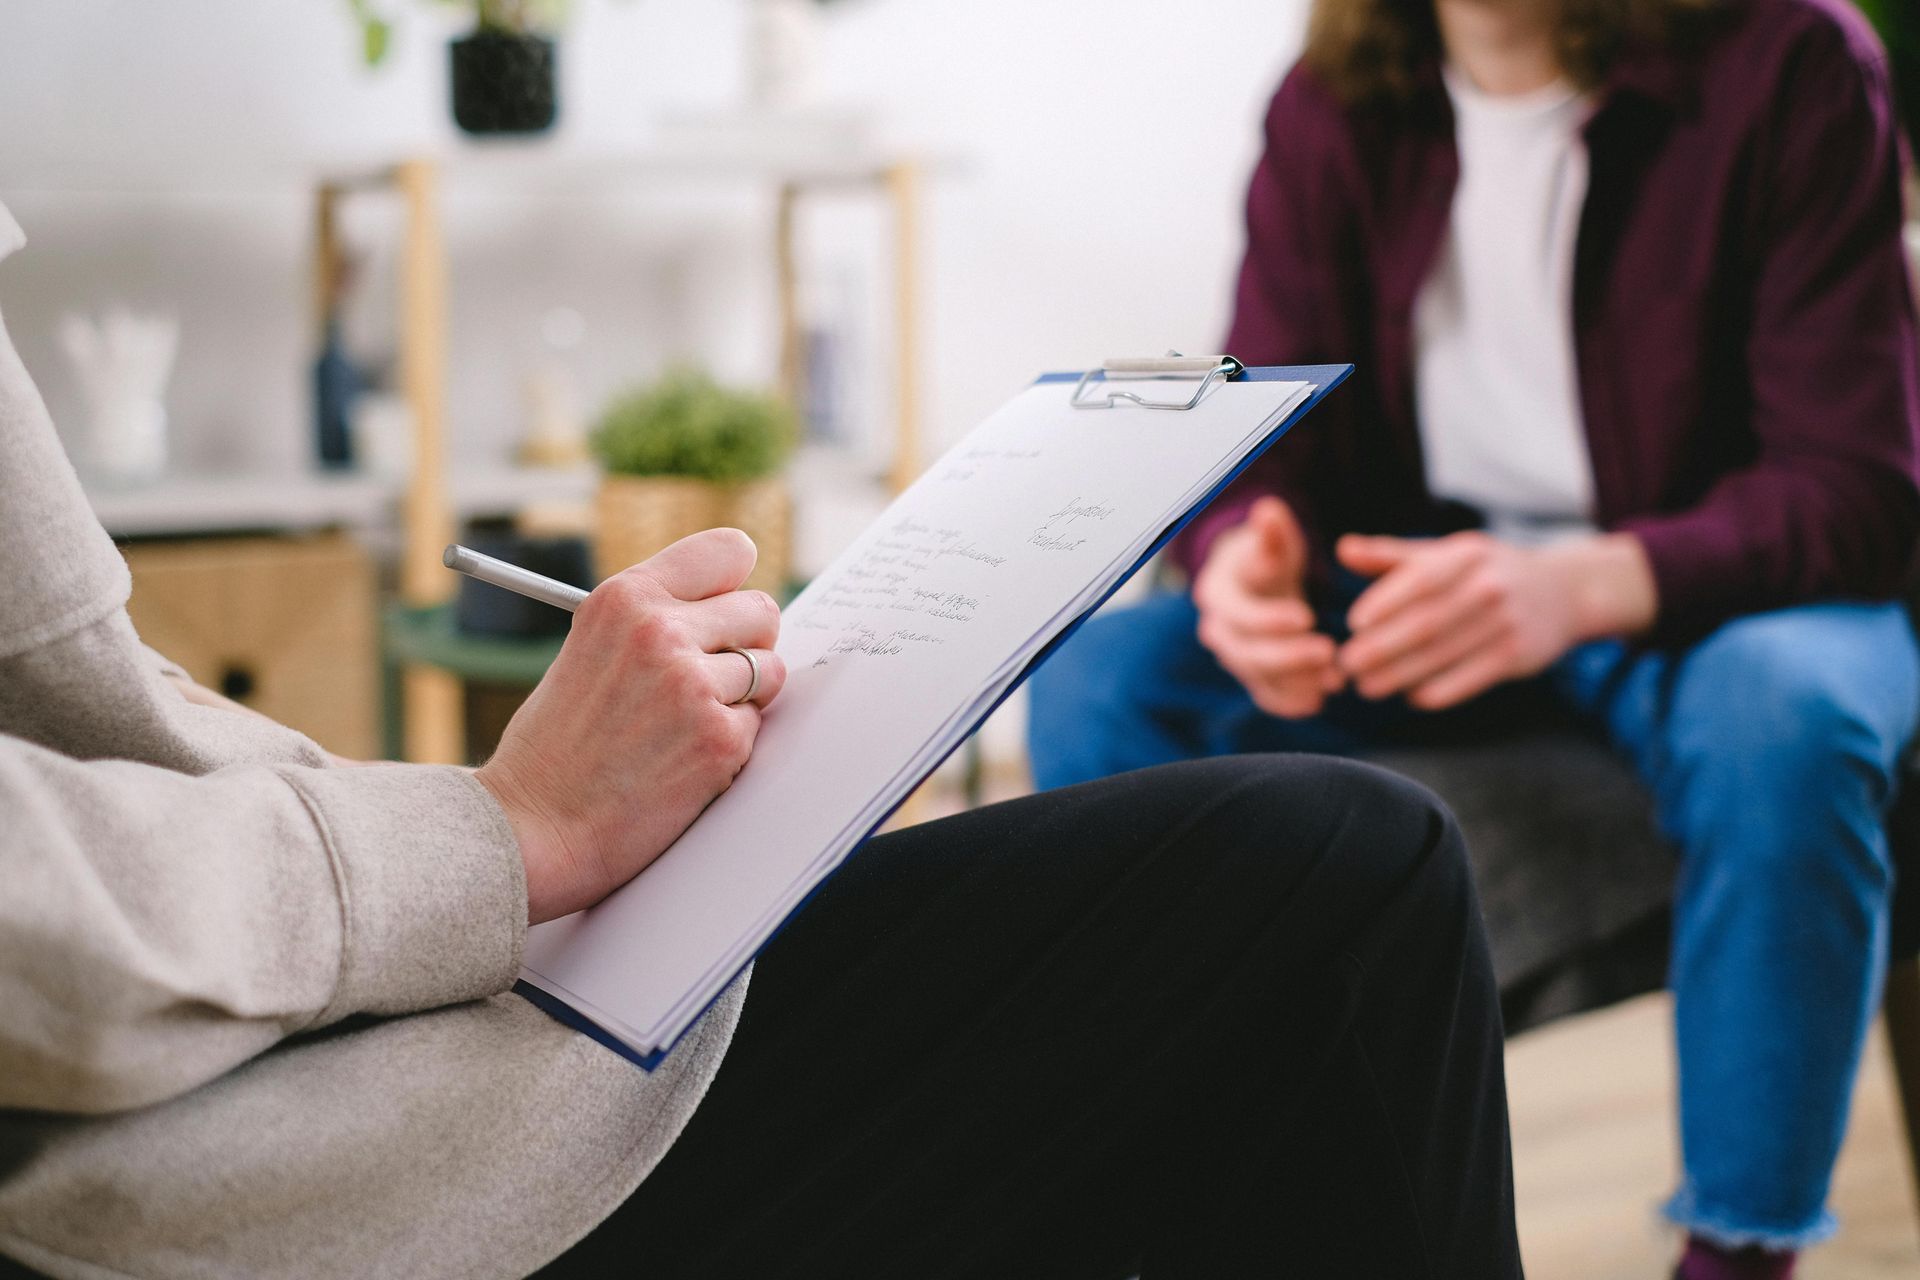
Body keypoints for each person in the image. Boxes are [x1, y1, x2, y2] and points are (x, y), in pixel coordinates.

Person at [0, 195, 1523, 1277]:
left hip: (315, 1061)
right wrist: (502, 830)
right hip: (232, 1184)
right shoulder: (1346, 116)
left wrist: (486, 819)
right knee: (1346, 877)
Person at [1028, 0, 1920, 1276]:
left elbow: (1858, 488)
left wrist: (1582, 586)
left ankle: (1738, 1247)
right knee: (1101, 677)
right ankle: (1225, 1190)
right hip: (1429, 596)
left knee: (1791, 716)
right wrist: (1242, 550)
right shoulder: (1330, 104)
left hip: (1712, 597)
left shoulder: (1795, 59)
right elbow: (1258, 413)